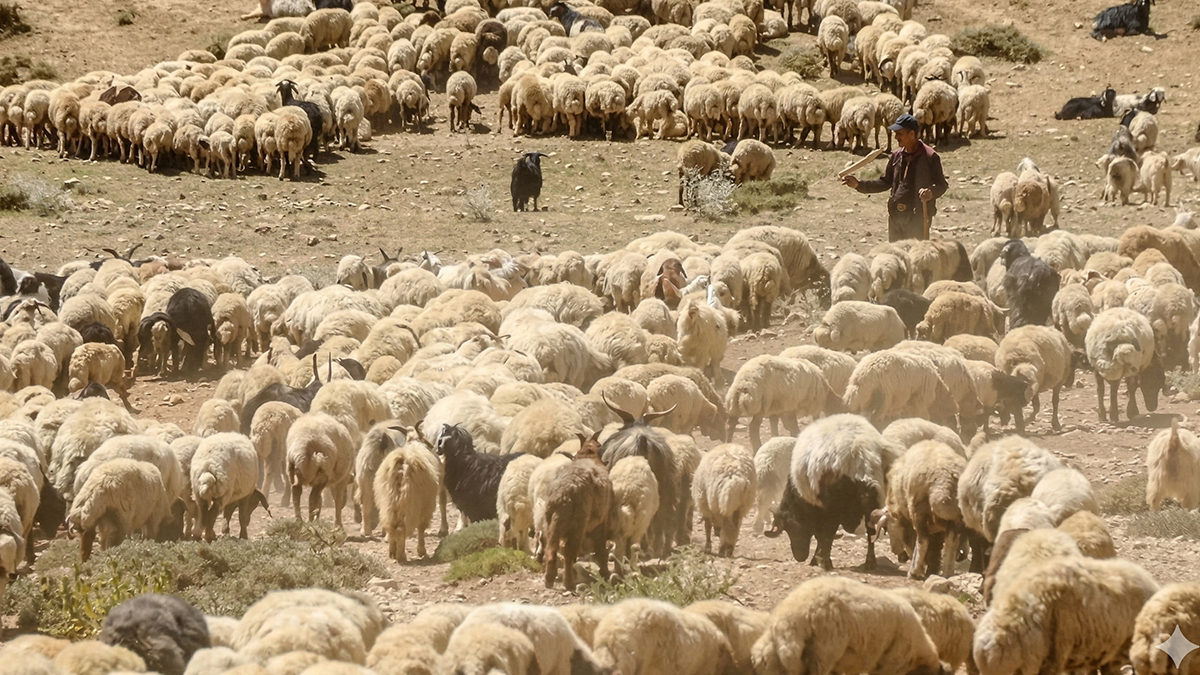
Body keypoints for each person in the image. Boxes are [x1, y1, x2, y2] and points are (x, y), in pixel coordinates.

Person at [841, 114, 949, 242]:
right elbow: (885, 182)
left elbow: (942, 185)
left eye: (899, 133)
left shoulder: (930, 157)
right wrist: (858, 185)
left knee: (914, 258)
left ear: (912, 134)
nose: (896, 137)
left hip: (917, 218)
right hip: (896, 217)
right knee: (896, 257)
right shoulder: (897, 155)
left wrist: (931, 193)